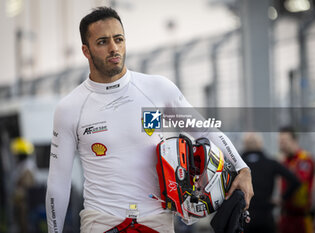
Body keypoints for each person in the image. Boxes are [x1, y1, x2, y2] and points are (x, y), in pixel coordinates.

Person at [45, 7, 253, 233]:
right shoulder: (69, 108)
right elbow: (58, 182)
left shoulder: (157, 88)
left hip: (157, 222)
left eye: (119, 39)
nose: (114, 48)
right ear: (86, 51)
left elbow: (204, 131)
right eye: (103, 42)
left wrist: (242, 168)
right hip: (101, 223)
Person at [241, 133, 300, 233]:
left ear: (244, 145)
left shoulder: (236, 165)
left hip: (243, 217)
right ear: (260, 144)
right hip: (266, 216)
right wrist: (282, 199)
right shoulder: (271, 163)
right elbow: (295, 181)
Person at [278, 126, 315, 233]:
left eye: (284, 141)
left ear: (294, 140)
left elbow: (299, 180)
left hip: (301, 218)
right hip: (285, 217)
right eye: (280, 141)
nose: (281, 144)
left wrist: (281, 199)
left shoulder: (304, 159)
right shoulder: (284, 161)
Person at [11, 137, 37, 233]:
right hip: (21, 202)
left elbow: (27, 186)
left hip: (25, 203)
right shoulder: (22, 166)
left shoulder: (27, 167)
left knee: (25, 225)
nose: (16, 155)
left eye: (17, 153)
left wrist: (18, 196)